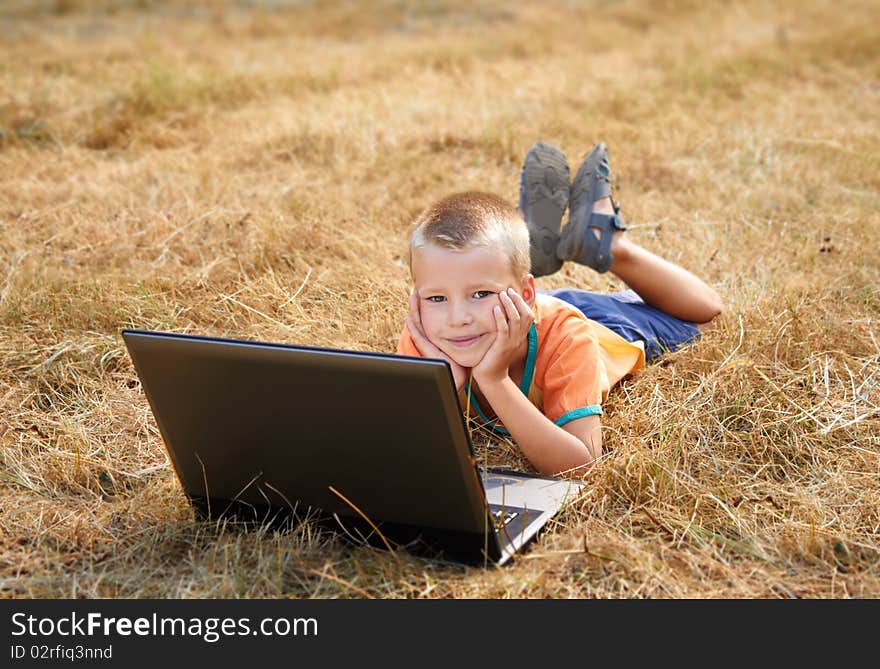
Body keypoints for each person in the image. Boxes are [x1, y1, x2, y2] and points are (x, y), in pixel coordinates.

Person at [397, 141, 723, 477]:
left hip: (597, 327)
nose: (458, 318)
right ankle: (516, 247)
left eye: (479, 293)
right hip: (514, 311)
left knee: (709, 317)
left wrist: (493, 381)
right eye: (437, 298)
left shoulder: (568, 337)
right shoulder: (428, 335)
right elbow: (397, 447)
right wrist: (441, 386)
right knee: (487, 286)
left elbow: (580, 465)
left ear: (525, 294)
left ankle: (610, 243)